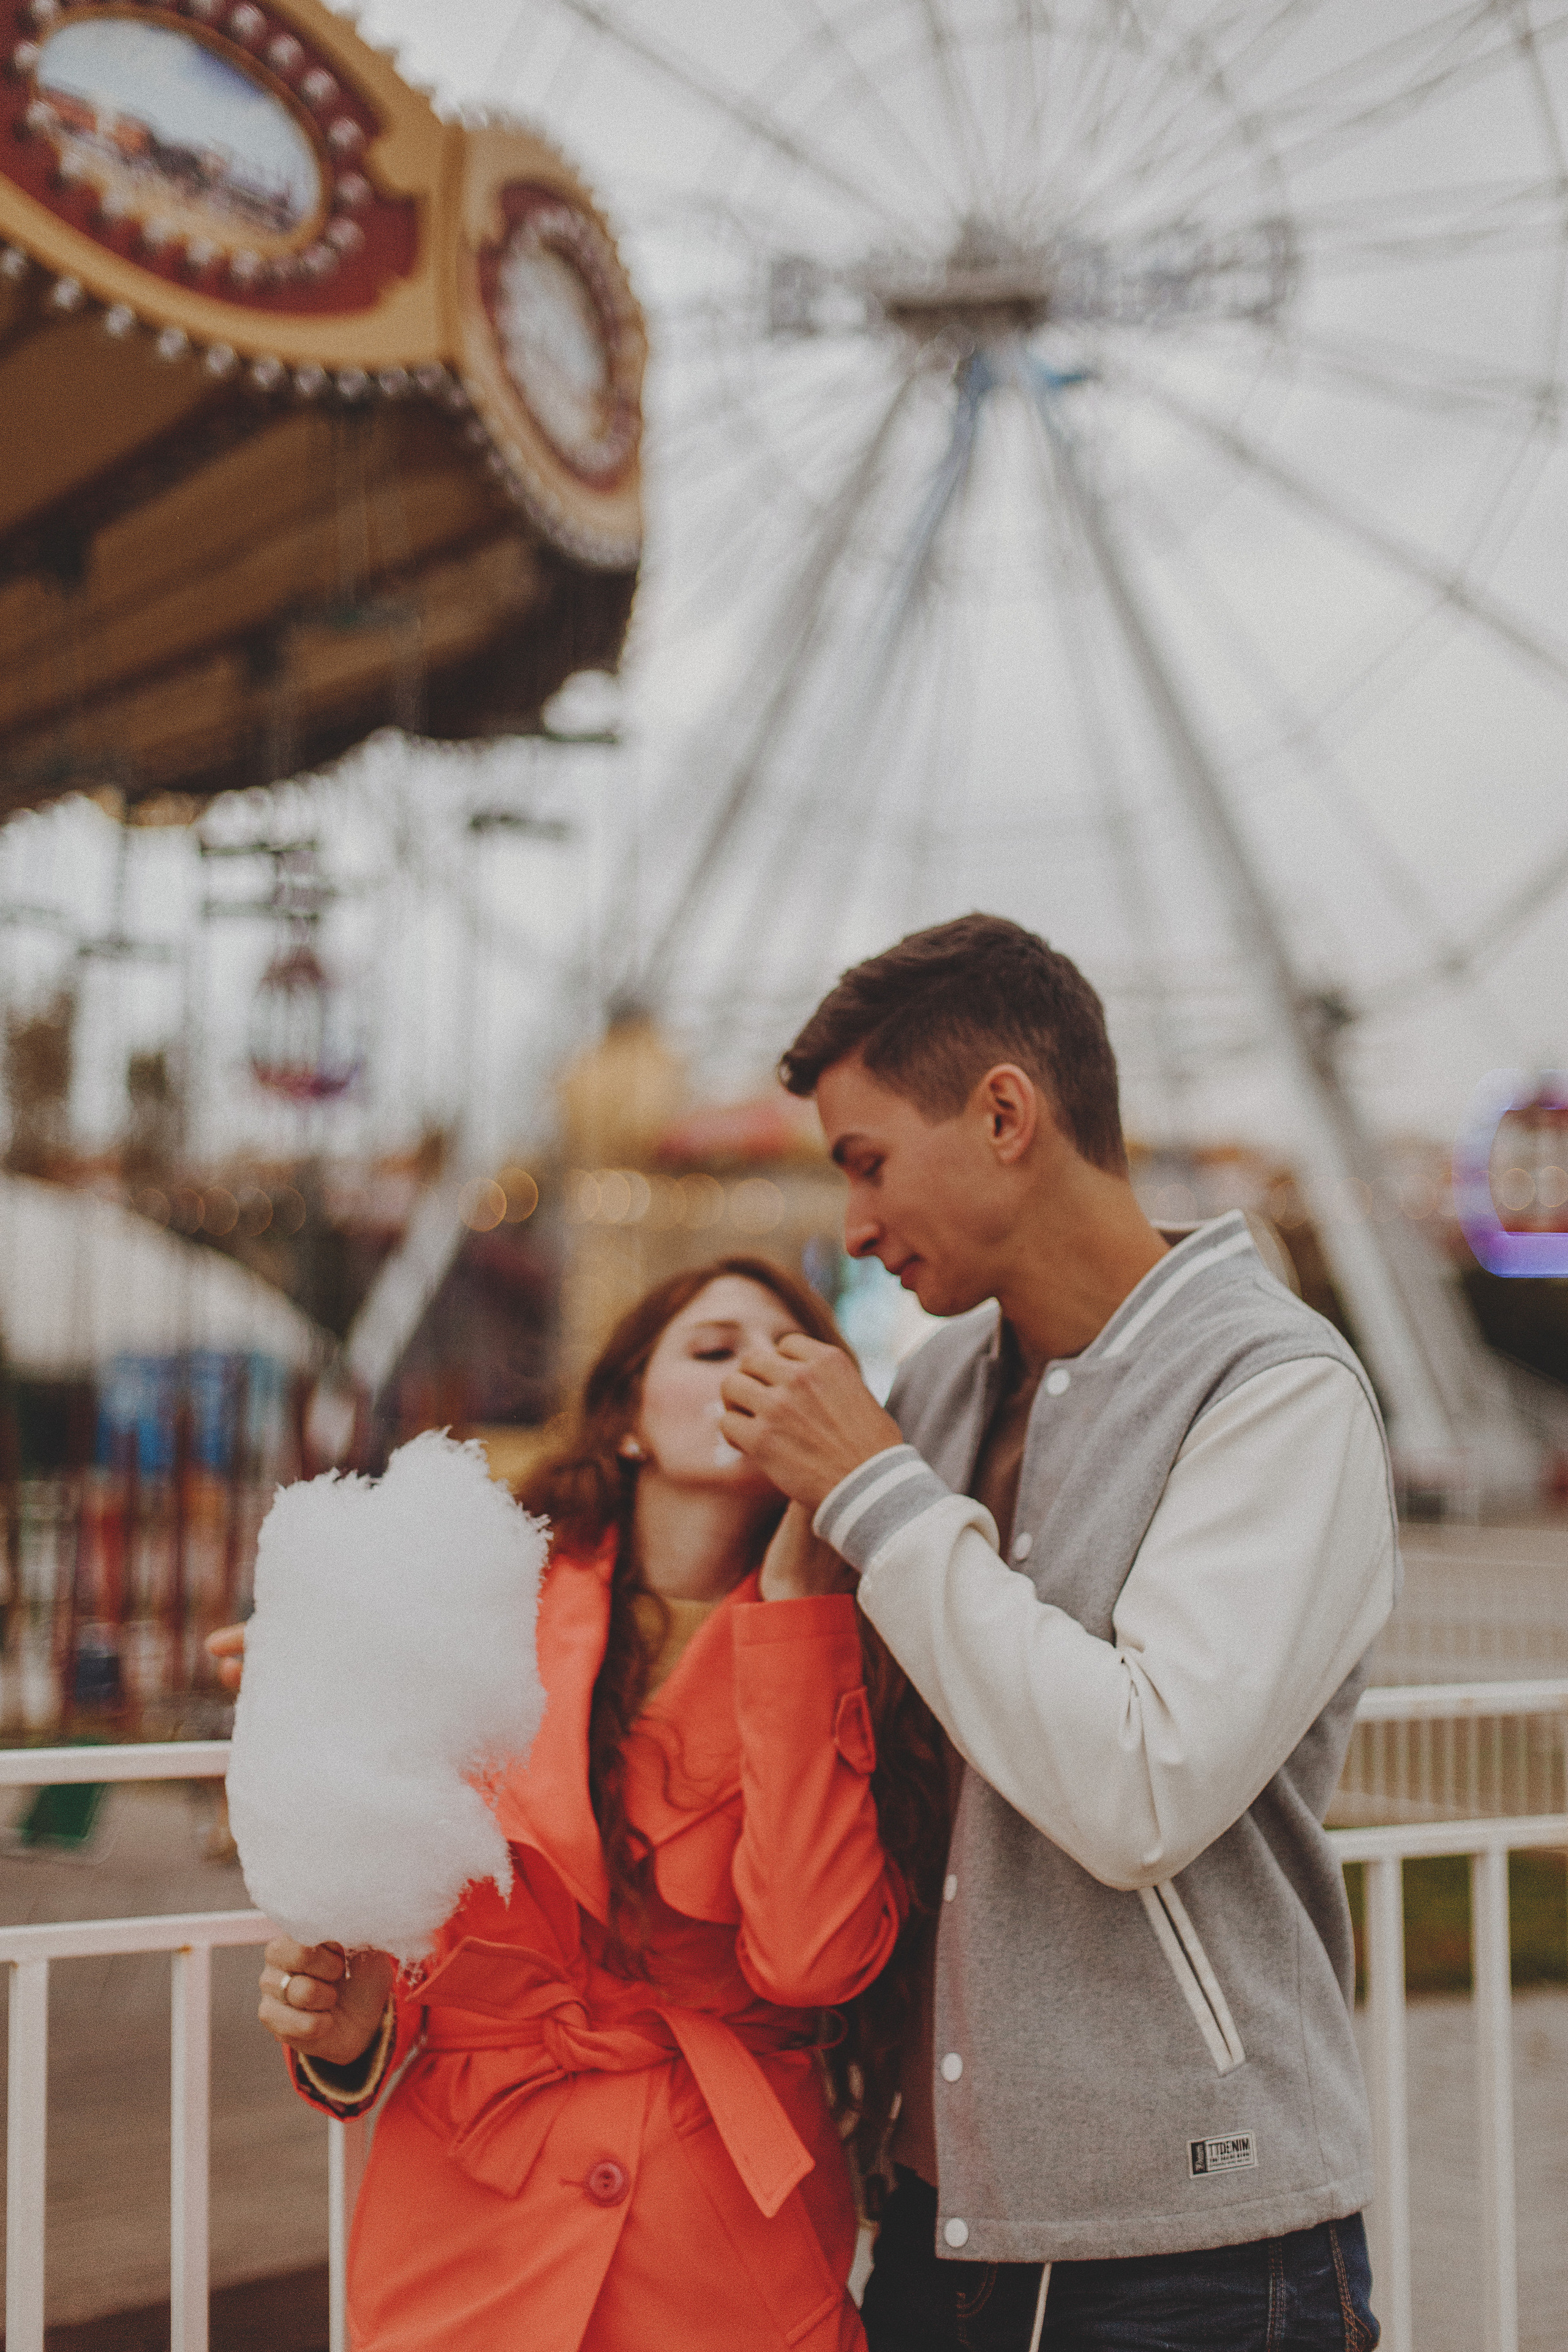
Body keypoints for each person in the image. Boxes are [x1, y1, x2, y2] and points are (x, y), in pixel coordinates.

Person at [717, 915, 1398, 2352]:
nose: (848, 1225)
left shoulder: (1277, 1391)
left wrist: (879, 1499)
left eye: (865, 1161)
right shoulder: (939, 1383)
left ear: (1006, 1114)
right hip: (934, 2223)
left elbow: (1138, 1786)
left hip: (1197, 2256)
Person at [215, 1257, 948, 2352]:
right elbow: (394, 1932)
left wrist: (798, 1604)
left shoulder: (855, 1652)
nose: (760, 1376)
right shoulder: (474, 1610)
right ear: (631, 1418)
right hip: (468, 2225)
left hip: (719, 2261)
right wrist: (346, 2032)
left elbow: (811, 1961)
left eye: (796, 1364)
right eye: (715, 1350)